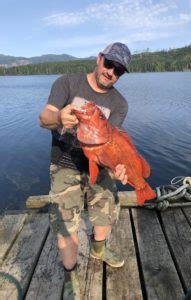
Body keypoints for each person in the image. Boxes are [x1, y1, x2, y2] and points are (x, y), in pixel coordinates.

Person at [39, 42, 132, 299]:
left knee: (105, 212)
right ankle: (70, 274)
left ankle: (99, 250)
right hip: (65, 164)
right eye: (109, 63)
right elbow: (43, 118)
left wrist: (117, 170)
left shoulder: (119, 104)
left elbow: (111, 146)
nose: (112, 72)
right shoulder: (67, 83)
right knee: (66, 227)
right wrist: (58, 118)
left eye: (119, 70)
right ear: (99, 58)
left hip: (98, 164)